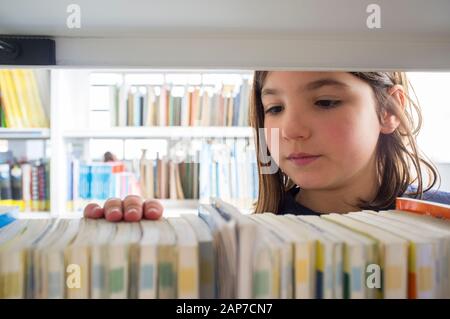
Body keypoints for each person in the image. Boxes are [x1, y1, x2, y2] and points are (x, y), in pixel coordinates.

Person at [83, 71, 450, 222]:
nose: (290, 130)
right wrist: (137, 246)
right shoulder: (245, 240)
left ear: (388, 110)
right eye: (274, 108)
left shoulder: (438, 223)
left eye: (325, 102)